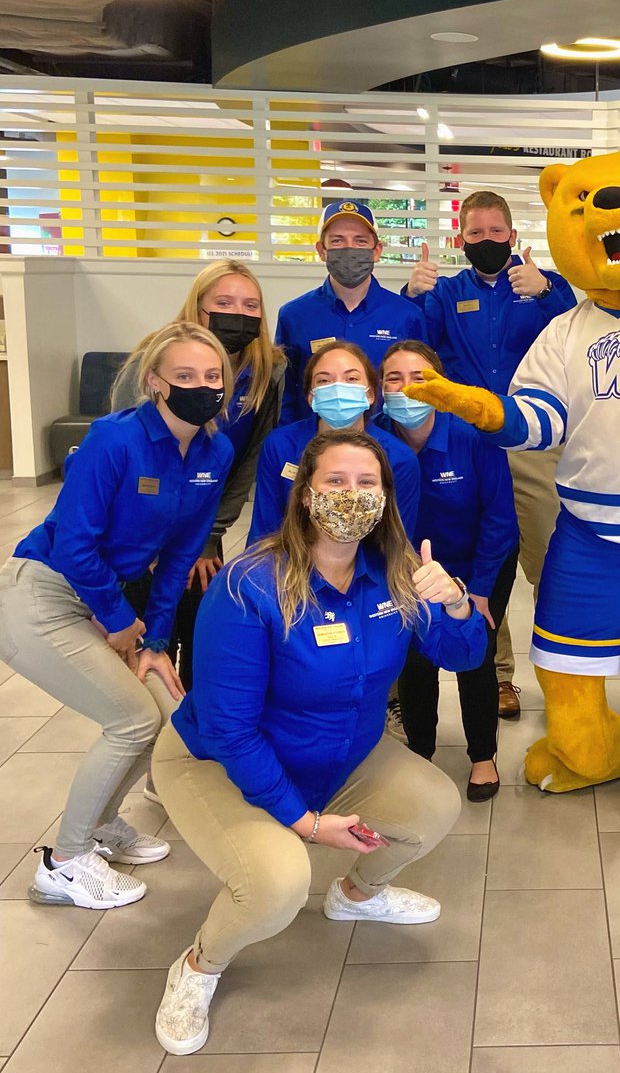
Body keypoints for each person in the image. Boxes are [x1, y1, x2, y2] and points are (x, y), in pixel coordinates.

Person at [151, 431, 485, 1056]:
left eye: (369, 484)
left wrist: (457, 603)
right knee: (277, 887)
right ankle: (196, 967)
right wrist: (305, 823)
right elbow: (229, 727)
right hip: (219, 763)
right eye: (336, 481)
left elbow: (461, 656)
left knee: (433, 806)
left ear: (387, 498)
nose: (353, 496)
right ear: (304, 494)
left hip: (341, 751)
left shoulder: (398, 574)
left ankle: (355, 896)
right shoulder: (248, 584)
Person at [0, 322, 233, 909]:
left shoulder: (215, 450)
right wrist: (119, 621)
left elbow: (181, 556)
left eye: (212, 377)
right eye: (184, 376)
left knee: (163, 715)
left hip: (109, 600)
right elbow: (75, 544)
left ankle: (101, 826)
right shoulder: (114, 440)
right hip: (42, 593)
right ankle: (66, 863)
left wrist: (155, 639)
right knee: (129, 719)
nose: (201, 387)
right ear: (155, 382)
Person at [405, 189, 576, 719]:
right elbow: (411, 351)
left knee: (548, 559)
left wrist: (547, 292)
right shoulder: (445, 292)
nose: (485, 241)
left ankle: (567, 677)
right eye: (474, 234)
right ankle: (500, 676)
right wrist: (411, 296)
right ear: (460, 240)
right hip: (467, 445)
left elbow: (580, 335)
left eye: (494, 233)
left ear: (513, 237)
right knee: (487, 559)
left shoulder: (542, 286)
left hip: (531, 442)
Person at [110, 259, 285, 690]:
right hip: (141, 521)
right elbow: (122, 453)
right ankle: (147, 725)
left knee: (199, 626)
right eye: (223, 302)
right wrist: (148, 540)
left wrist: (208, 536)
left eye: (250, 305)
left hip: (204, 521)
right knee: (143, 632)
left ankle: (189, 731)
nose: (238, 314)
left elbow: (248, 463)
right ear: (198, 306)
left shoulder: (268, 369)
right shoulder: (154, 356)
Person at [377, 340, 520, 801]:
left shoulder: (471, 436)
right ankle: (421, 751)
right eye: (392, 378)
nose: (405, 389)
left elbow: (500, 519)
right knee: (416, 657)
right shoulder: (372, 442)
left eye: (418, 378)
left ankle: (483, 755)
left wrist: (476, 593)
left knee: (474, 653)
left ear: (441, 384)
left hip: (481, 561)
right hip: (410, 570)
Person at [248, 341, 419, 543]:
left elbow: (395, 542)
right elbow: (264, 531)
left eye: (351, 378)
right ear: (311, 398)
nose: (338, 387)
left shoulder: (399, 458)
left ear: (371, 394)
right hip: (290, 563)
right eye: (324, 380)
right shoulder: (280, 445)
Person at [275, 200, 426, 424]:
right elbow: (286, 396)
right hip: (314, 447)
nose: (349, 248)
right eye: (337, 240)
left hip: (387, 445)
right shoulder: (294, 316)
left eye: (360, 240)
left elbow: (424, 387)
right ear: (321, 251)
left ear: (377, 251)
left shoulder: (407, 316)